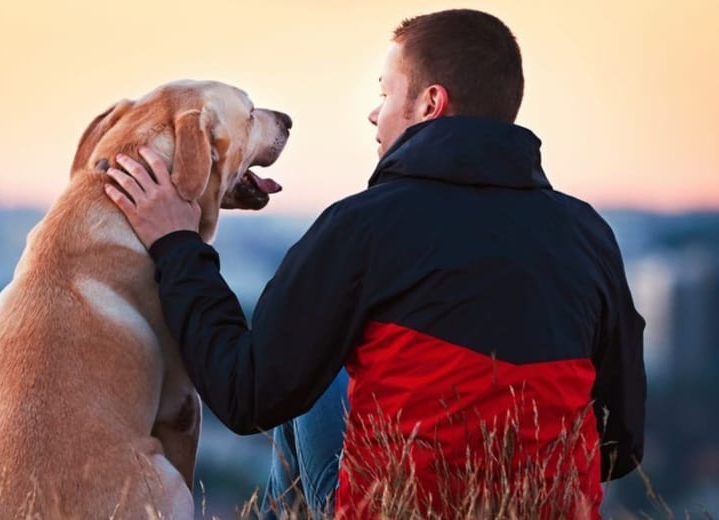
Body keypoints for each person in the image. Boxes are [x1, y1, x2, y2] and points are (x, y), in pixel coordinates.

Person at [103, 8, 646, 519]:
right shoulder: (587, 234)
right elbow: (621, 443)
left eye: (386, 94)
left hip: (398, 507)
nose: (373, 112)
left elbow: (245, 395)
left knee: (311, 368)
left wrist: (177, 245)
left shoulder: (363, 227)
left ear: (430, 103)